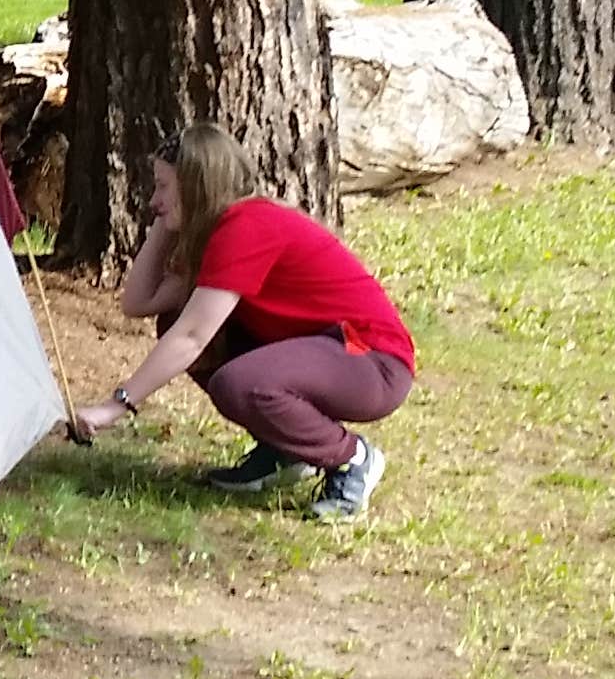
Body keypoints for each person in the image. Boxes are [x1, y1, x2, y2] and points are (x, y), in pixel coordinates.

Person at [64, 126, 413, 517]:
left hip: (372, 363)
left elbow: (193, 338)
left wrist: (117, 405)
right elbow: (140, 302)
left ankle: (352, 458)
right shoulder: (213, 231)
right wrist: (166, 221)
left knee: (242, 383)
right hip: (325, 352)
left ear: (198, 185)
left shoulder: (246, 226)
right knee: (175, 319)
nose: (152, 200)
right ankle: (285, 451)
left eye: (163, 187)